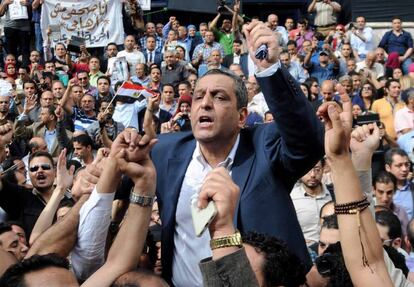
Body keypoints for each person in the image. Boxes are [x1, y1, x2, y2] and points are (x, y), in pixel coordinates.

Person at [151, 21, 324, 286]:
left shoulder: (264, 145)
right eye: (198, 97)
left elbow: (307, 142)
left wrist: (269, 71)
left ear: (242, 116)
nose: (205, 103)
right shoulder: (165, 149)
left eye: (219, 97)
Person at [291, 160, 332, 245]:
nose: (313, 175)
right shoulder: (290, 199)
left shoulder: (333, 195)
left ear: (323, 169)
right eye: (307, 169)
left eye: (317, 170)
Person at [373, 171, 409, 237]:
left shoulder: (401, 213)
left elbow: (406, 239)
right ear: (373, 190)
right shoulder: (367, 211)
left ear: (395, 190)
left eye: (389, 192)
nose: (385, 198)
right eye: (380, 192)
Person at [385, 148, 414, 219]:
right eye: (399, 165)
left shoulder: (412, 188)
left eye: (407, 165)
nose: (404, 169)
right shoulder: (381, 191)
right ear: (388, 168)